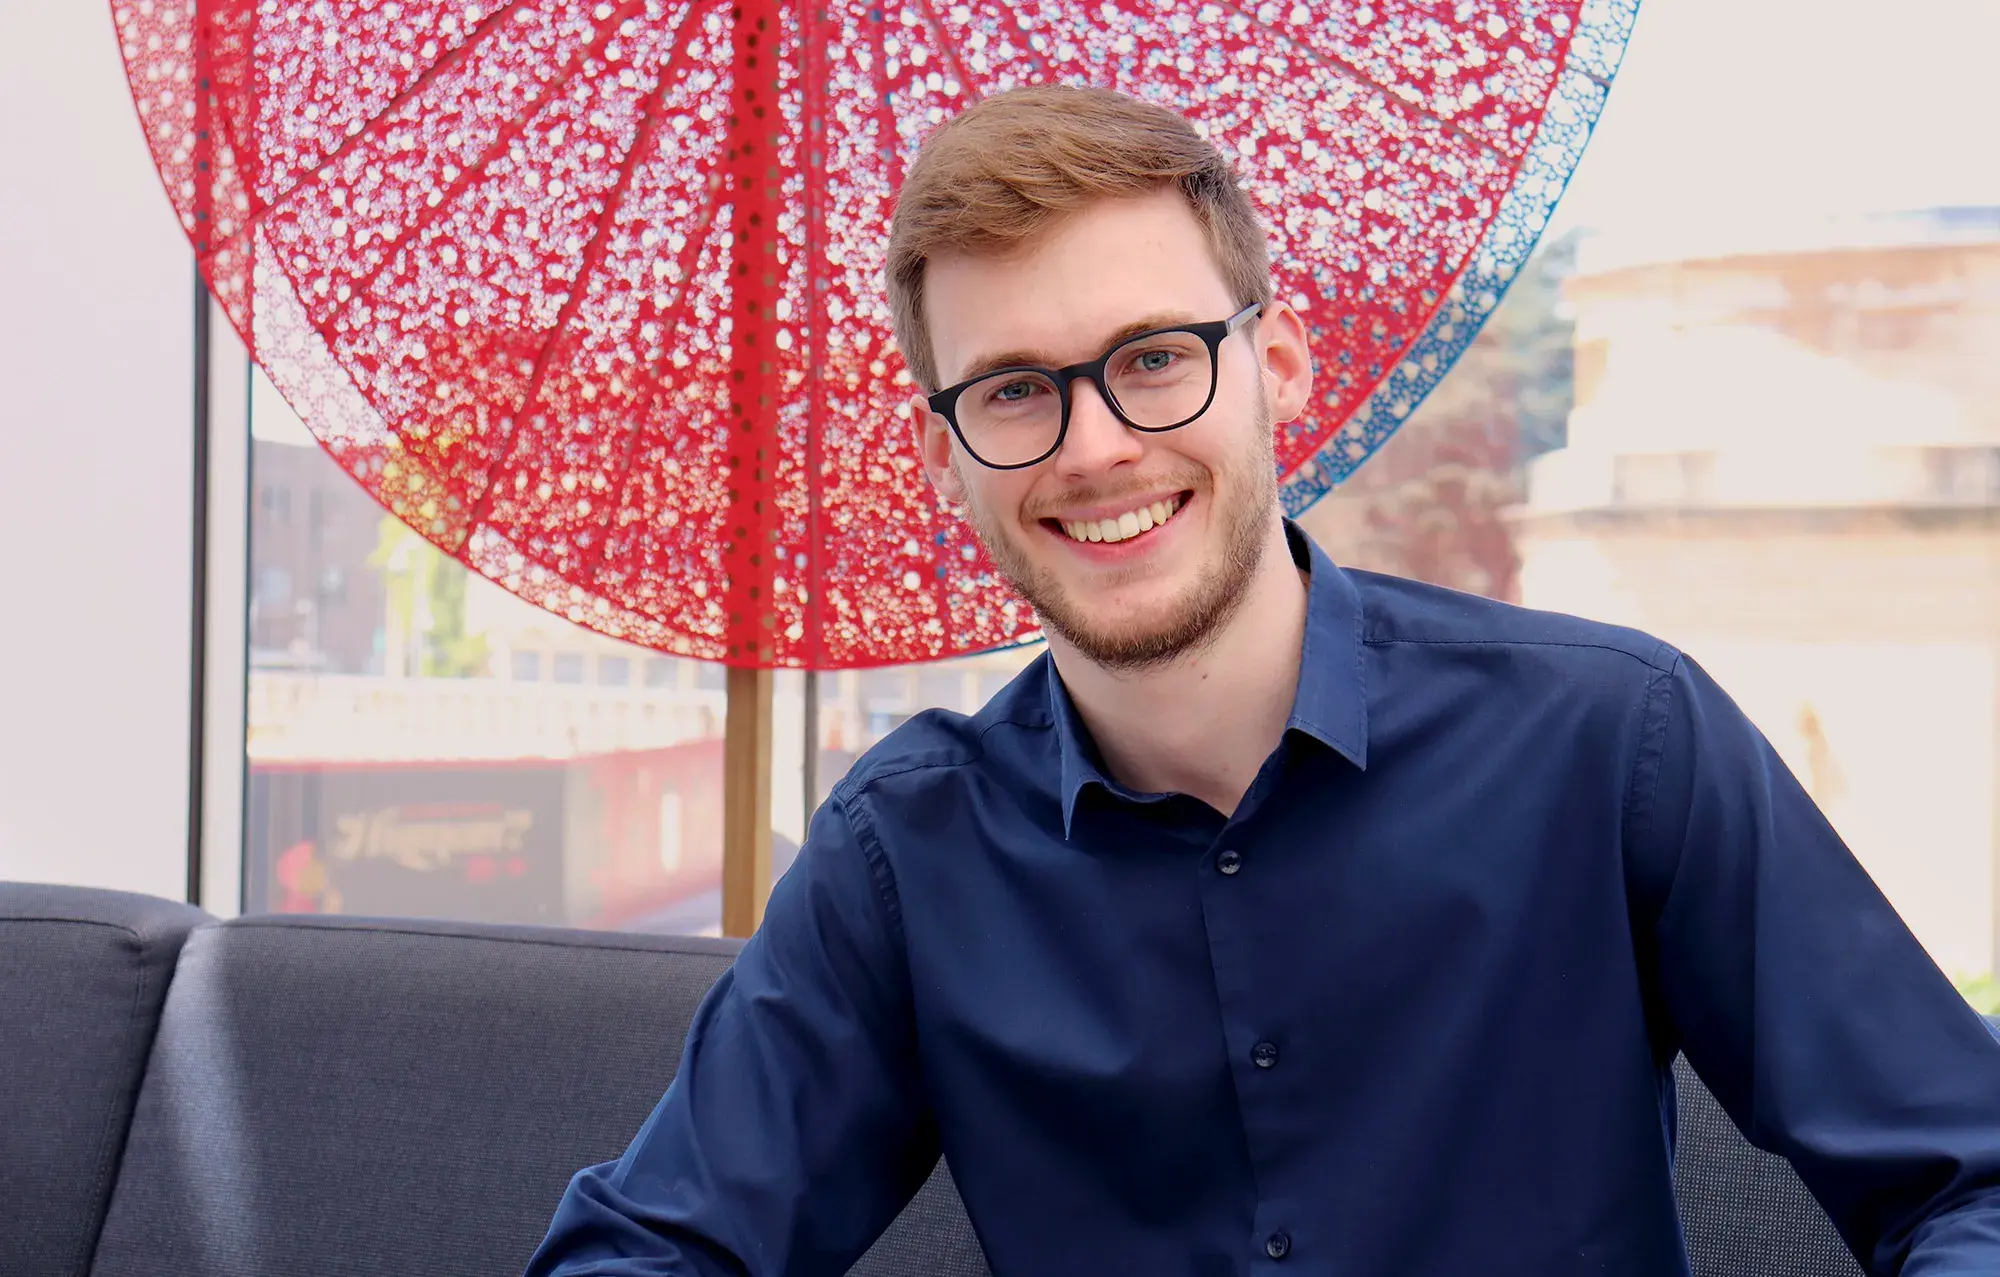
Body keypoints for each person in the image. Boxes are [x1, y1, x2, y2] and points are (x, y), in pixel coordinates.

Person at [526, 85, 2000, 1275]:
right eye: (1015, 390)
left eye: (1154, 358)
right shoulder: (901, 860)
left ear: (1278, 364)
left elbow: (1969, 1182)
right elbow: (646, 1253)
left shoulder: (1618, 741)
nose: (1095, 446)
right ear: (945, 458)